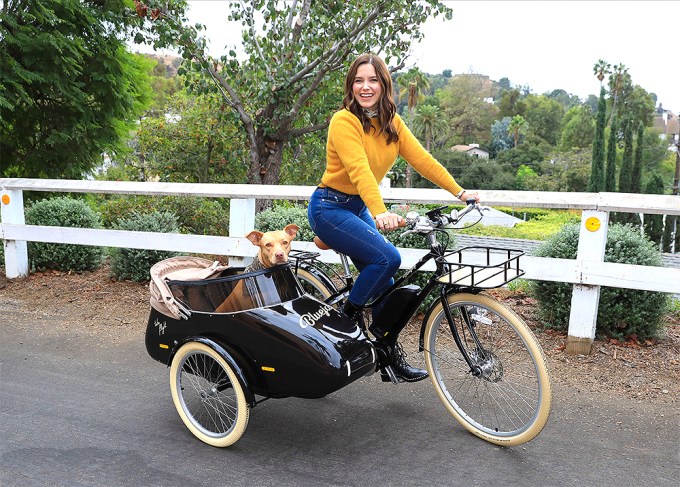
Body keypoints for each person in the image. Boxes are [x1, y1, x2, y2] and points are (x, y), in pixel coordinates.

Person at [308, 53, 480, 383]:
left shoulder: (392, 122)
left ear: (384, 84)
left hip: (357, 209)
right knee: (388, 257)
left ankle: (387, 356)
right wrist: (380, 213)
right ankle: (347, 316)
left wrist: (459, 193)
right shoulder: (344, 121)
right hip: (329, 207)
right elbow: (359, 170)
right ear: (351, 86)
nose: (365, 87)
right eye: (358, 80)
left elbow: (423, 160)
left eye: (372, 80)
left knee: (388, 292)